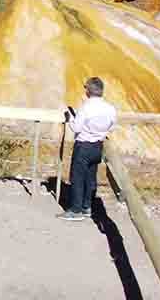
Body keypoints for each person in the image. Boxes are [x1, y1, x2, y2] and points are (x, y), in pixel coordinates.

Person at [59, 77, 117, 221]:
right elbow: (112, 126)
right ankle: (87, 206)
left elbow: (77, 128)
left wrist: (70, 118)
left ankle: (75, 210)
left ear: (88, 91)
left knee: (77, 178)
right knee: (90, 178)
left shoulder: (86, 107)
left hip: (83, 145)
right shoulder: (110, 108)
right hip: (98, 146)